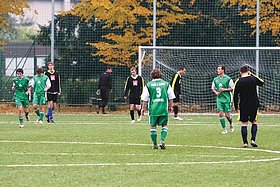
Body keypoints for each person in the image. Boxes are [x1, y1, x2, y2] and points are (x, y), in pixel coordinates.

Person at [141, 69, 175, 149]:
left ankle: (155, 144)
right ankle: (162, 141)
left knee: (153, 126)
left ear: (151, 75)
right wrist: (171, 106)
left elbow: (144, 99)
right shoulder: (166, 84)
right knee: (164, 125)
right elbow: (171, 97)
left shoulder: (148, 85)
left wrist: (143, 108)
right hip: (163, 108)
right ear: (161, 75)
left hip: (153, 109)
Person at [233, 65, 264, 148]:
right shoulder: (253, 79)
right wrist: (253, 74)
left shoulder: (238, 81)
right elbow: (261, 82)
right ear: (248, 71)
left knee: (244, 123)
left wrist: (236, 107)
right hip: (254, 104)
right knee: (254, 121)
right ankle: (253, 140)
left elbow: (235, 95)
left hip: (243, 105)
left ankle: (245, 143)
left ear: (240, 72)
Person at [211, 65, 234, 134]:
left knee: (227, 115)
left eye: (219, 69)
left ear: (223, 70)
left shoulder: (228, 79)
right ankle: (224, 129)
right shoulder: (215, 79)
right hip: (219, 99)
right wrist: (216, 92)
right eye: (217, 69)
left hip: (227, 98)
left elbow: (232, 88)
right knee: (221, 114)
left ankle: (231, 124)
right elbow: (213, 88)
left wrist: (224, 89)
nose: (217, 70)